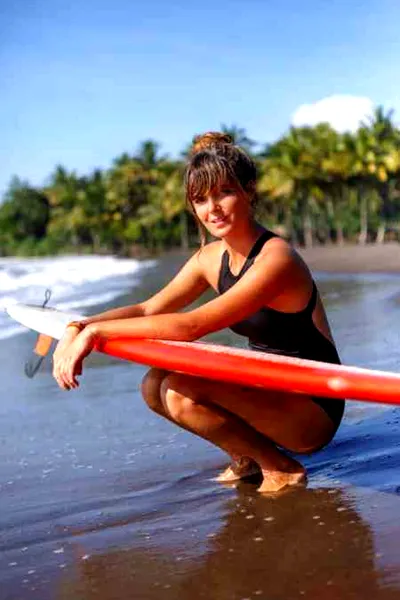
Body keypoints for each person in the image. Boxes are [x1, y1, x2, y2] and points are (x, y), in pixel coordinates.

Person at [52, 132, 345, 493]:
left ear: (249, 191)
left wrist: (97, 334)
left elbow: (191, 325)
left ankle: (281, 468)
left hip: (310, 405)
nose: (213, 209)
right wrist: (78, 325)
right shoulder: (210, 258)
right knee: (154, 385)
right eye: (201, 199)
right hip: (266, 386)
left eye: (224, 192)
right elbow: (148, 308)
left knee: (180, 392)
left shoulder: (276, 259)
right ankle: (246, 456)